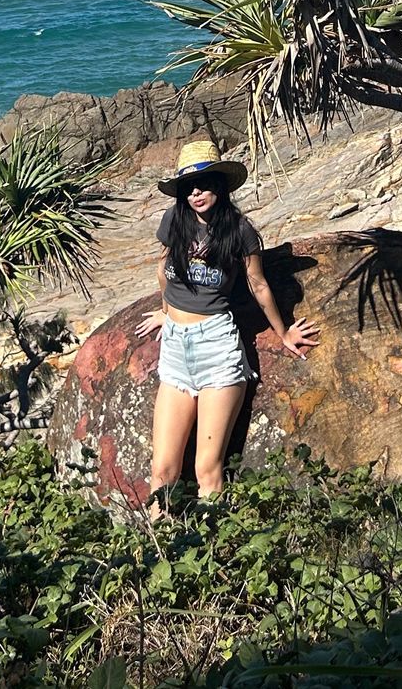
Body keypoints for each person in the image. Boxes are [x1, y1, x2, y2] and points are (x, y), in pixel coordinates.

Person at [135, 139, 319, 516]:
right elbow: (163, 269)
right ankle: (158, 548)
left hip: (216, 348)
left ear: (220, 185)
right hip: (175, 350)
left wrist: (284, 332)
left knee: (207, 469)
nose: (196, 193)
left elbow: (258, 284)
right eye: (189, 187)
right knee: (163, 470)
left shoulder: (239, 230)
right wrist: (166, 311)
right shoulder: (175, 220)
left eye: (204, 184)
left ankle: (212, 545)